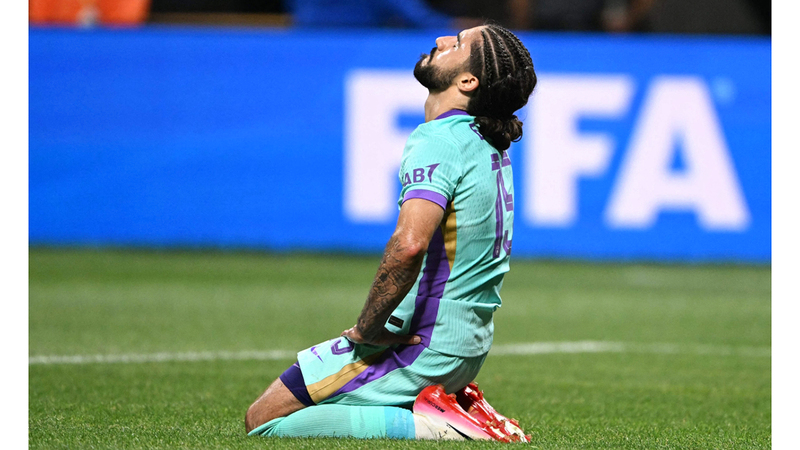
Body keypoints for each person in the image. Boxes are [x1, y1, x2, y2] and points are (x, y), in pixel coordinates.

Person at [245, 23, 537, 441]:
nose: (442, 40)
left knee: (264, 420)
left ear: (468, 81)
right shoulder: (486, 142)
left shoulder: (440, 140)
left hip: (422, 344)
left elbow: (408, 246)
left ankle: (439, 426)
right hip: (464, 346)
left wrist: (366, 329)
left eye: (457, 43)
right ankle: (451, 401)